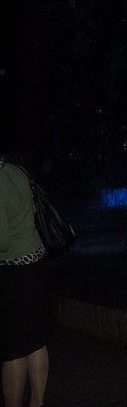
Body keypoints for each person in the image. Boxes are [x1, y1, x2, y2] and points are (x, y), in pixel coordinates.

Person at [0, 156, 51, 407]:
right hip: (36, 265)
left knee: (13, 349)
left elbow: (3, 242)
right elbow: (31, 212)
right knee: (35, 341)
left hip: (13, 274)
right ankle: (38, 402)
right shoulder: (17, 170)